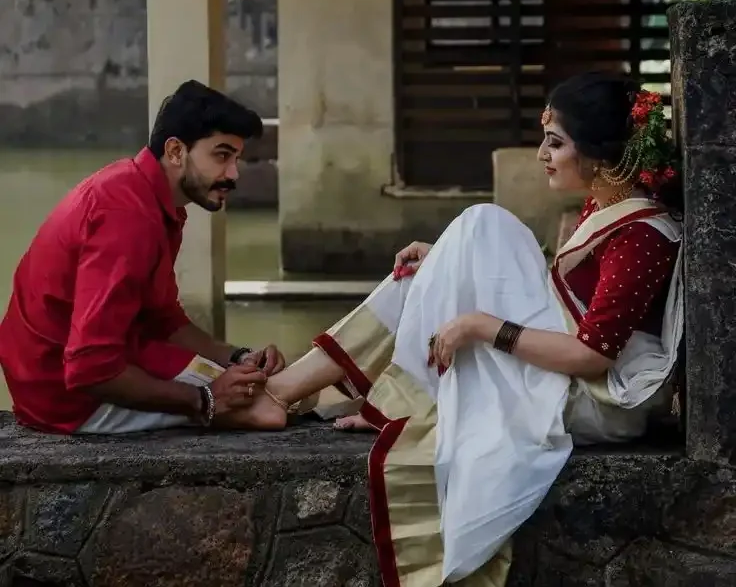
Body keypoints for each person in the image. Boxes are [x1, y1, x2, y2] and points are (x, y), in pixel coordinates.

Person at [220, 72, 683, 587]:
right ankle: (294, 393)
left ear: (598, 152)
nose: (541, 155)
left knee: (483, 224)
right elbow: (552, 293)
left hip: (594, 396)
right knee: (444, 257)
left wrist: (482, 326)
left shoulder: (642, 235)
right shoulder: (607, 205)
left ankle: (309, 394)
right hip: (568, 368)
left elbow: (593, 356)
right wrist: (447, 263)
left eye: (555, 143)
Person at [0, 80, 285, 435]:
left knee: (258, 385)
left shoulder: (148, 198)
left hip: (109, 358)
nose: (233, 174)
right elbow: (89, 366)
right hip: (65, 396)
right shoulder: (126, 215)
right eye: (221, 156)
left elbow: (162, 319)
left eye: (236, 159)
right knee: (267, 407)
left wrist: (236, 356)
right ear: (176, 151)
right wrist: (205, 399)